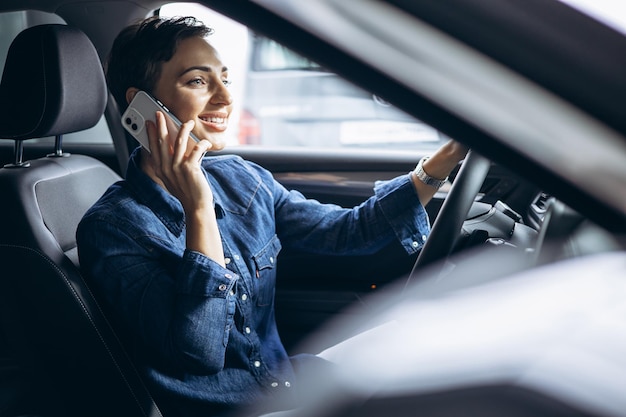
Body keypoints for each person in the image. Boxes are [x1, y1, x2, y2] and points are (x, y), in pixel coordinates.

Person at [76, 15, 468, 417]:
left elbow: (347, 232)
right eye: (197, 81)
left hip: (289, 389)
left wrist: (447, 158)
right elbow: (198, 352)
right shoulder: (112, 229)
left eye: (224, 79)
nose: (225, 98)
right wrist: (198, 208)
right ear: (143, 106)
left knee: (436, 348)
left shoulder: (242, 179)